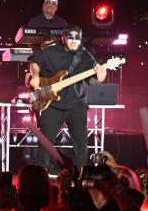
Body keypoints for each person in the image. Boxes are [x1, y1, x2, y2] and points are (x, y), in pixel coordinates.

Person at [28, 25, 107, 169]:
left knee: (81, 144)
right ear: (63, 38)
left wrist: (99, 78)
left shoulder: (86, 57)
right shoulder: (51, 52)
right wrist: (36, 75)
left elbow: (91, 81)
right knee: (45, 143)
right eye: (71, 37)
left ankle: (79, 177)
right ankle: (42, 176)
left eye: (77, 38)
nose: (74, 40)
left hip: (77, 105)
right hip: (52, 105)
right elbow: (35, 63)